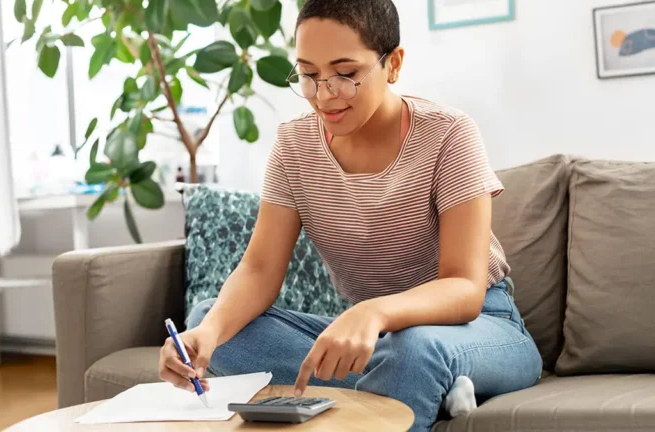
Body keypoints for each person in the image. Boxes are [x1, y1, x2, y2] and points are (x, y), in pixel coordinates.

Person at [158, 0, 542, 429]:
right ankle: (420, 384)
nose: (323, 95)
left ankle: (423, 372)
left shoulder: (449, 134)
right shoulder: (294, 146)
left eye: (345, 74)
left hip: (481, 326)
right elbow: (260, 269)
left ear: (392, 64)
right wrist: (207, 336)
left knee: (414, 348)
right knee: (209, 320)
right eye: (308, 75)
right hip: (376, 340)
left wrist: (372, 312)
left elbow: (465, 288)